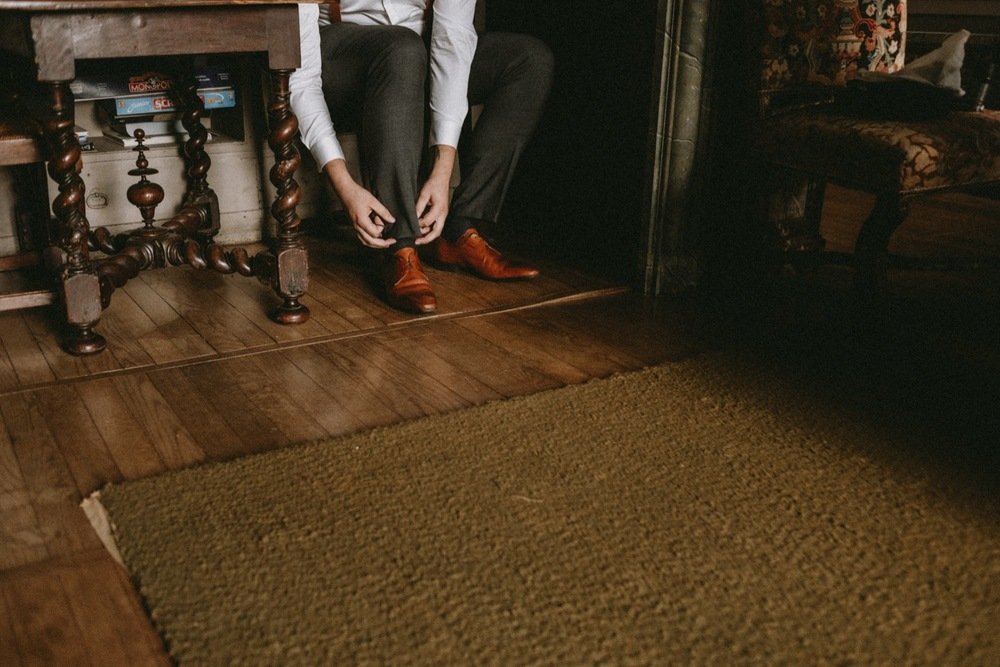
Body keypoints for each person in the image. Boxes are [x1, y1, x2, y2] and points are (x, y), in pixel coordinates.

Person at [290, 0, 553, 314]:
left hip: (420, 48)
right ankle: (398, 245)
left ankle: (458, 229)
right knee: (402, 48)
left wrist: (442, 169)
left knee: (528, 60)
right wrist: (343, 185)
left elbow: (452, 41)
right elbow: (301, 76)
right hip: (340, 52)